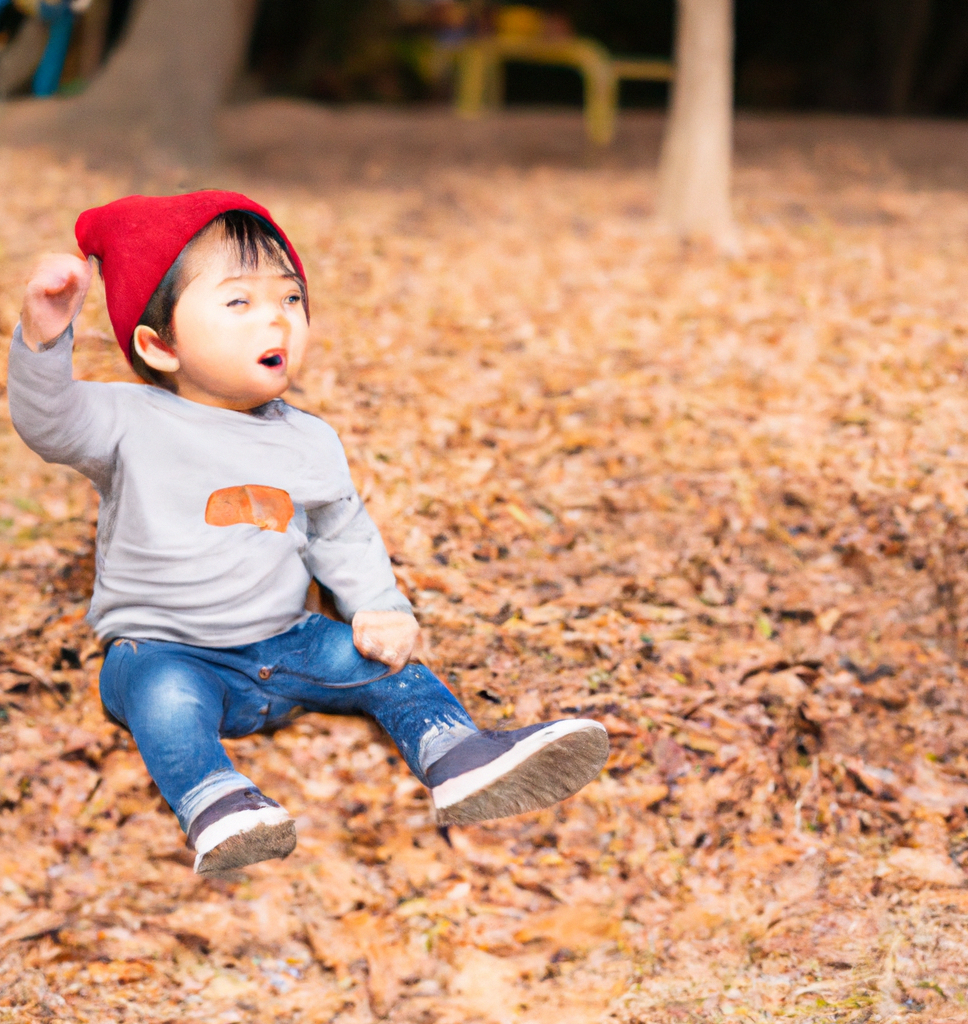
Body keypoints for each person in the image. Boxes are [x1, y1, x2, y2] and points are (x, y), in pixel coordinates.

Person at [7, 190, 609, 875]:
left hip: (284, 640)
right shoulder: (125, 418)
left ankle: (456, 754)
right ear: (159, 345)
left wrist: (380, 607)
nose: (277, 319)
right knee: (167, 705)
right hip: (164, 648)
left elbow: (340, 531)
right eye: (239, 303)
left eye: (289, 300)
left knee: (385, 671)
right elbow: (47, 421)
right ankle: (216, 803)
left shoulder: (309, 440)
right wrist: (45, 336)